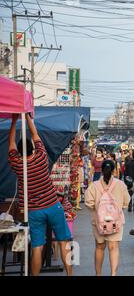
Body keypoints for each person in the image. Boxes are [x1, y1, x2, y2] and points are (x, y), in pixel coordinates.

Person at [8, 114, 73, 276]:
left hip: (34, 211)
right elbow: (36, 135)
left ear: (19, 151)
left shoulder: (17, 164)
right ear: (32, 148)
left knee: (37, 246)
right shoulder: (41, 157)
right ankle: (70, 274)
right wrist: (28, 118)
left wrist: (14, 122)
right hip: (53, 206)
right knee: (63, 241)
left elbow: (11, 145)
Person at [84, 160, 130, 276]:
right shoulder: (120, 185)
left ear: (101, 170)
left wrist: (98, 210)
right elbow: (127, 202)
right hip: (116, 222)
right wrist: (118, 209)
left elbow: (88, 203)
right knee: (113, 247)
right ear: (114, 171)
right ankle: (113, 274)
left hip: (98, 222)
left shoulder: (94, 186)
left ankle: (98, 274)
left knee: (99, 247)